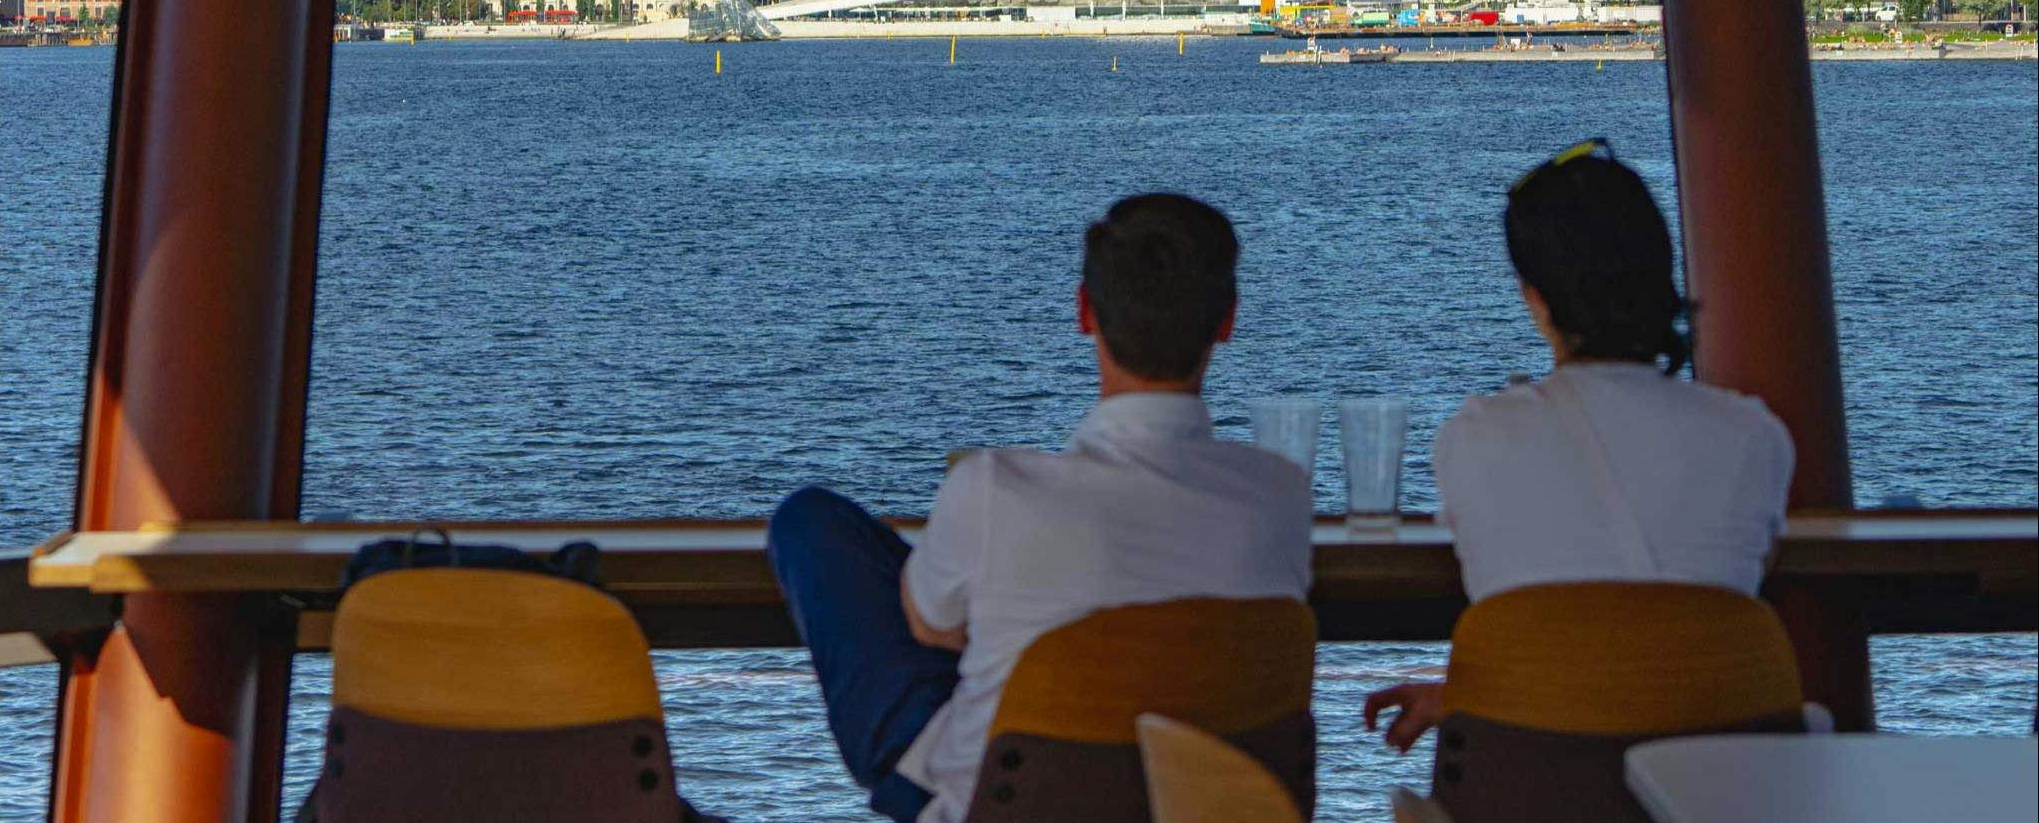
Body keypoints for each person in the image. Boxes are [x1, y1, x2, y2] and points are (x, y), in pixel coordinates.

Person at [767, 194, 1313, 823]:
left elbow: (930, 628)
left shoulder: (994, 488)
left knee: (811, 522)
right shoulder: (1281, 494)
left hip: (1001, 802)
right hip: (1202, 801)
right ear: (1228, 320)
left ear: (1085, 313)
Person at [1365, 139, 1795, 752]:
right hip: (1717, 795)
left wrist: (1475, 696)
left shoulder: (1475, 438)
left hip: (1535, 788)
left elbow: (1568, 635)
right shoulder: (1755, 438)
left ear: (1536, 299)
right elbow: (1659, 653)